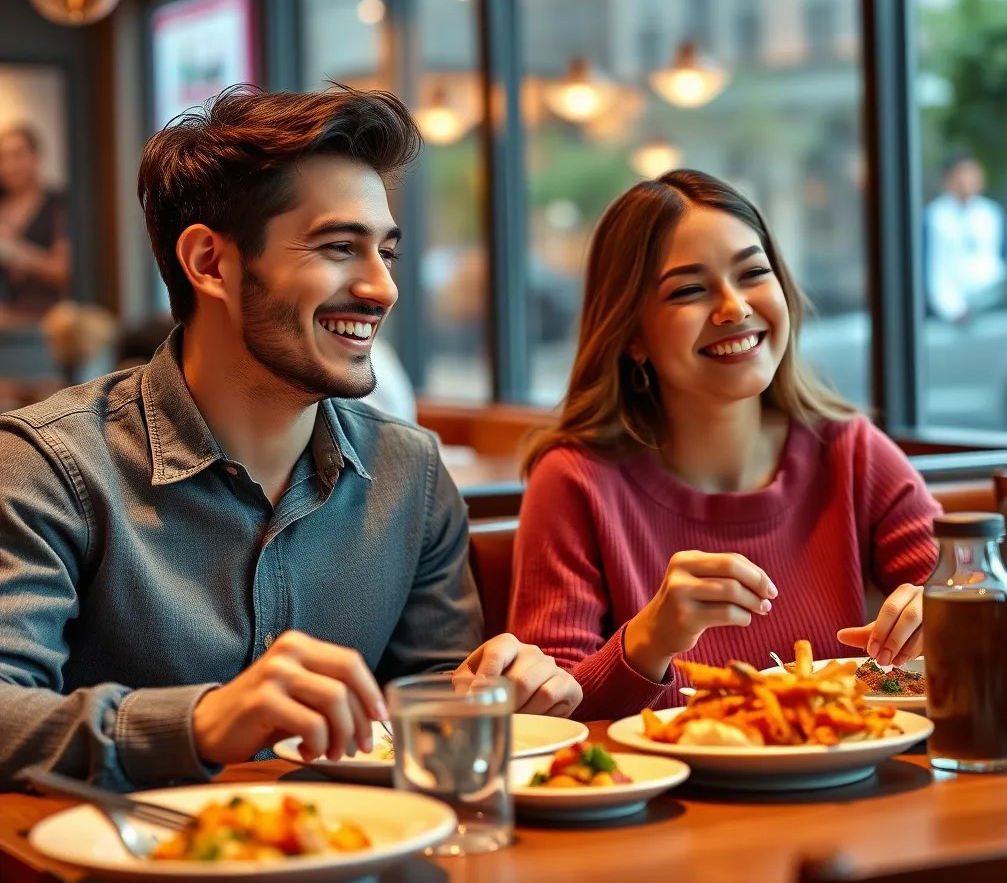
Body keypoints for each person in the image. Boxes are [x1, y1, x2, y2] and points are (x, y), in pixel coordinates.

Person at [0, 85, 580, 791]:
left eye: (386, 254)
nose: (382, 289)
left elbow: (432, 712)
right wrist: (202, 723)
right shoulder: (52, 465)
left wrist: (494, 694)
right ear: (210, 262)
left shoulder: (411, 472)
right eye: (339, 247)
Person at [508, 170, 940, 720]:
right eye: (689, 290)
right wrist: (648, 639)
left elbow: (1002, 623)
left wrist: (951, 611)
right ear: (631, 334)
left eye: (753, 273)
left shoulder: (852, 452)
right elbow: (544, 710)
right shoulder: (575, 479)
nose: (734, 307)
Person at [923, 153, 1007, 322]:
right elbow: (931, 269)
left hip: (993, 306)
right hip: (949, 313)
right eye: (960, 176)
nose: (966, 182)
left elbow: (1005, 256)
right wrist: (951, 308)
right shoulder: (934, 217)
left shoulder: (991, 213)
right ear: (947, 180)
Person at [0, 124, 71, 316]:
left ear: (35, 157)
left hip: (46, 322)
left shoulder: (57, 205)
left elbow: (65, 270)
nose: (9, 166)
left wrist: (16, 252)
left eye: (17, 155)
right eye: (3, 158)